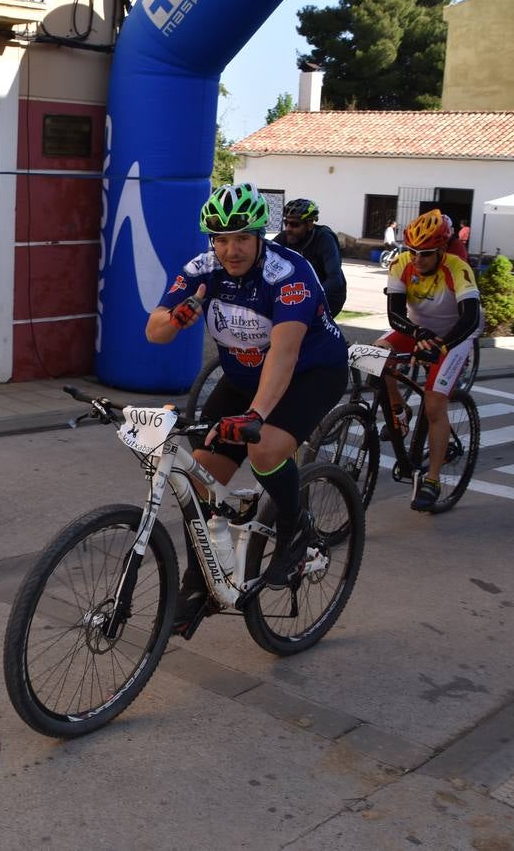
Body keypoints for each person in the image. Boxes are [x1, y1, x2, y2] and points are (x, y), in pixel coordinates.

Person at [146, 183, 348, 631]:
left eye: (240, 238)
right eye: (220, 239)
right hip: (243, 377)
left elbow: (284, 354)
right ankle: (200, 583)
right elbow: (154, 332)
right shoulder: (202, 270)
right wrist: (177, 317)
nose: (230, 249)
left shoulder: (289, 274)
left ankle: (294, 527)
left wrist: (255, 417)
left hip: (311, 372)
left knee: (264, 450)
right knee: (197, 479)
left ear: (260, 235)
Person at [379, 208, 484, 512]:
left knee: (435, 401)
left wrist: (440, 345)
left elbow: (469, 318)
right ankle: (399, 410)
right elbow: (395, 315)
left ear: (441, 250)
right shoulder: (401, 264)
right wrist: (417, 332)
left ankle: (433, 480)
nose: (417, 259)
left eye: (425, 254)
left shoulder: (457, 268)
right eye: (412, 251)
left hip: (456, 333)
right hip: (420, 327)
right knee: (376, 354)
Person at [273, 198, 347, 317]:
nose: (288, 229)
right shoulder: (284, 237)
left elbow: (334, 278)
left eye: (294, 224)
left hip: (329, 295)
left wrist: (310, 298)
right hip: (301, 290)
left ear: (309, 224)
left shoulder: (324, 238)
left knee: (306, 328)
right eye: (286, 223)